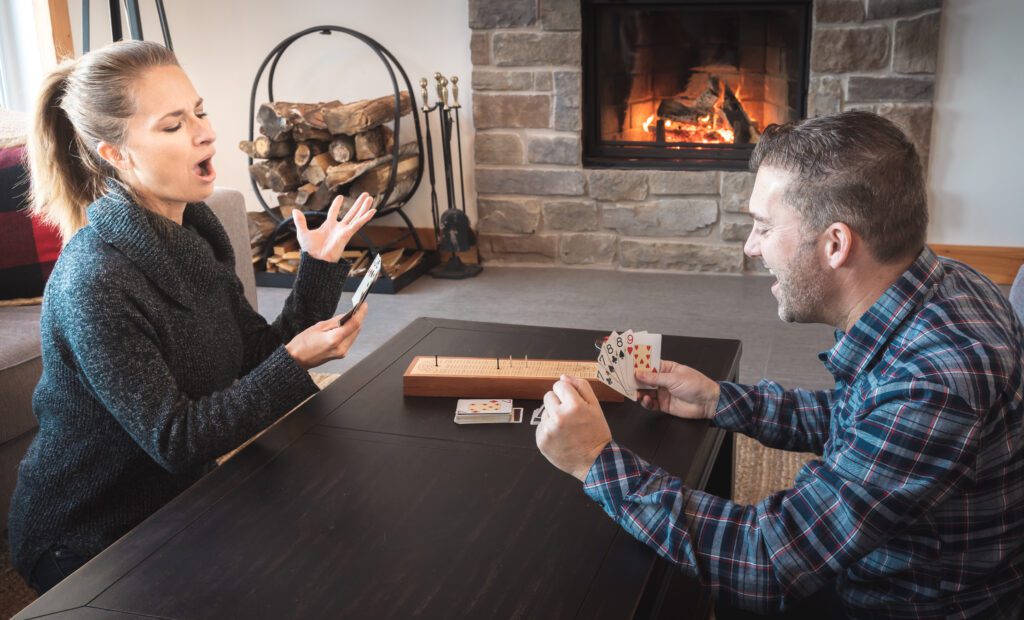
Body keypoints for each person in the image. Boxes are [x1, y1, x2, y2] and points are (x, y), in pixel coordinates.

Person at [536, 112, 1024, 618]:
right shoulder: (948, 283)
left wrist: (595, 460)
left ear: (836, 244)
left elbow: (767, 561)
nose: (750, 247)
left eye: (763, 227)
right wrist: (720, 399)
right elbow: (864, 419)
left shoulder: (937, 382)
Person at [8, 40, 375, 594]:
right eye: (173, 125)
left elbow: (253, 355)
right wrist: (295, 364)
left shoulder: (196, 231)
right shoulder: (97, 280)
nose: (205, 132)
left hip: (179, 499)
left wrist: (318, 268)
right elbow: (176, 440)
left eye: (199, 112)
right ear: (116, 154)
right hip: (87, 537)